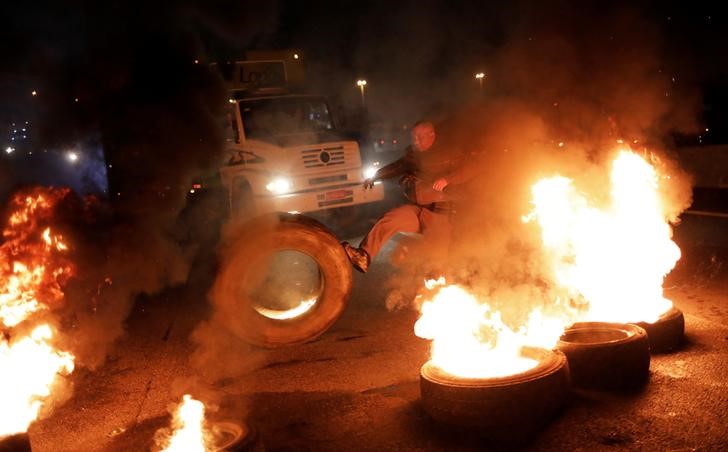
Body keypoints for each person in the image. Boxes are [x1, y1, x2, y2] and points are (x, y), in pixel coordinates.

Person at [342, 120, 475, 273]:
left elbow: (472, 167)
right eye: (414, 137)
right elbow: (396, 167)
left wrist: (448, 179)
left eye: (419, 137)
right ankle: (364, 255)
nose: (415, 141)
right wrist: (375, 176)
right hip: (417, 211)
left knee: (436, 263)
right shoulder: (414, 156)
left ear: (431, 135)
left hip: (439, 215)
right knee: (390, 219)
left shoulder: (449, 152)